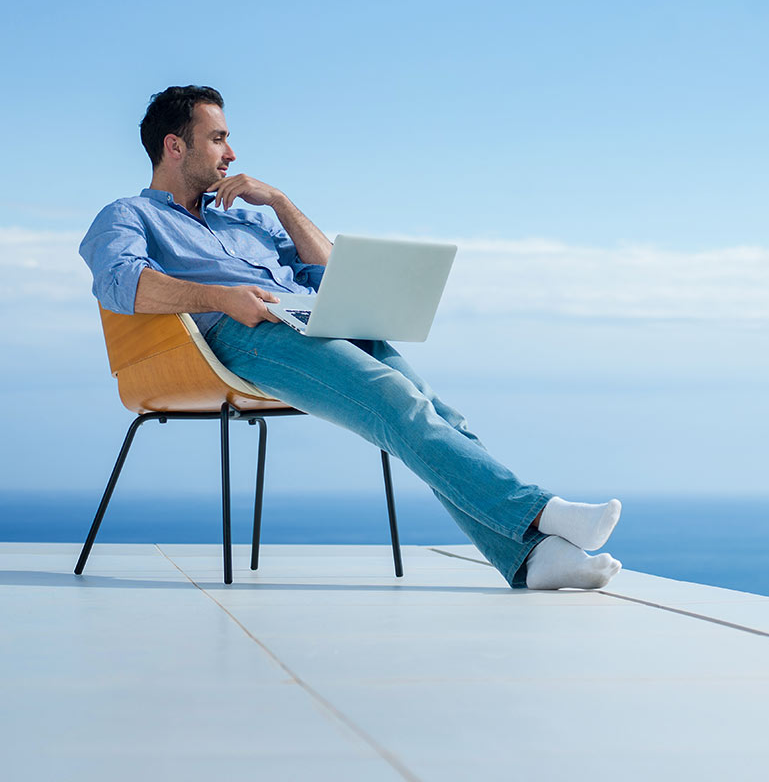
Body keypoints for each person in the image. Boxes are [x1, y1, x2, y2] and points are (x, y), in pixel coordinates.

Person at [78, 85, 622, 590]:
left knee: (435, 411)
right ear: (174, 146)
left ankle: (527, 560)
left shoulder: (245, 221)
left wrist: (282, 204)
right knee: (395, 401)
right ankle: (538, 513)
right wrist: (221, 298)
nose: (232, 153)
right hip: (240, 337)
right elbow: (120, 282)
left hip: (312, 321)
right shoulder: (129, 215)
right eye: (218, 138)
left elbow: (334, 274)